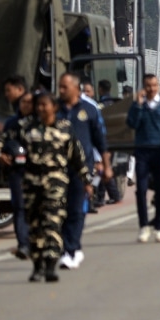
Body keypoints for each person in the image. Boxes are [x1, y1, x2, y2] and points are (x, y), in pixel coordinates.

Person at [5, 92, 91, 282]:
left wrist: (86, 180)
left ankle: (51, 265)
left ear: (54, 107)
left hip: (55, 184)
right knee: (35, 227)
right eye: (38, 105)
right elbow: (4, 142)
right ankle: (38, 267)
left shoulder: (65, 128)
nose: (41, 108)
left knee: (52, 224)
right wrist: (0, 154)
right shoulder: (26, 128)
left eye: (45, 105)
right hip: (32, 184)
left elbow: (77, 156)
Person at [57, 73, 110, 270]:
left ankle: (70, 250)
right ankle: (72, 246)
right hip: (57, 168)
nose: (61, 90)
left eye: (65, 87)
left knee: (77, 208)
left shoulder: (89, 109)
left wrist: (106, 165)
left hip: (82, 169)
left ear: (76, 88)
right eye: (60, 87)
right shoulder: (54, 109)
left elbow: (100, 140)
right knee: (59, 210)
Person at [127, 73, 160, 243]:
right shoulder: (139, 105)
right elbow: (132, 123)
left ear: (158, 86)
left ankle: (159, 228)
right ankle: (143, 226)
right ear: (144, 87)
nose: (151, 89)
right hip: (142, 151)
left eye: (154, 85)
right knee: (141, 190)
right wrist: (137, 105)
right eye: (148, 86)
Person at [0, 76, 31, 258]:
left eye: (29, 103)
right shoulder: (12, 123)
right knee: (19, 207)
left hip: (40, 171)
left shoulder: (44, 124)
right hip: (18, 172)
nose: (26, 105)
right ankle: (23, 244)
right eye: (23, 103)